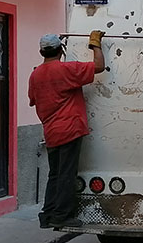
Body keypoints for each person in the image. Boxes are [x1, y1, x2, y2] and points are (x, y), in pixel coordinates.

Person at [28, 31, 105, 229]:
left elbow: (33, 101)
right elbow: (99, 66)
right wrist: (95, 44)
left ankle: (48, 214)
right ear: (61, 50)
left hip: (51, 131)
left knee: (54, 174)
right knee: (66, 175)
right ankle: (62, 215)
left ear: (41, 52)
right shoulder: (66, 70)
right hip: (70, 129)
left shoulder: (35, 75)